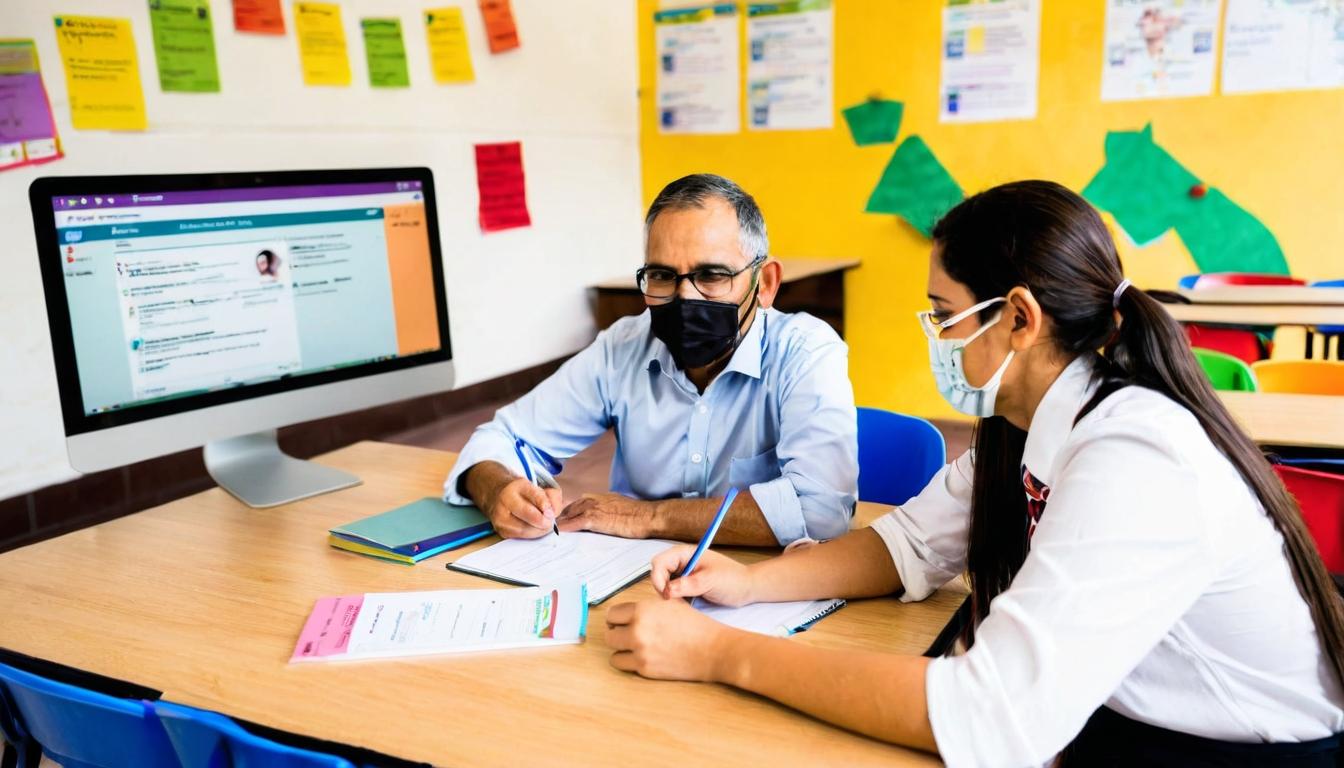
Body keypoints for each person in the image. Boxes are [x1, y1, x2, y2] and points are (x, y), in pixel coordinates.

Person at [605, 180, 1344, 766]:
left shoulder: (1135, 455)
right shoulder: (1024, 427)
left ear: (1018, 318)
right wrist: (748, 584)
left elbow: (990, 714)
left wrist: (719, 652)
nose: (938, 339)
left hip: (1236, 752)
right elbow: (904, 545)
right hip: (1119, 717)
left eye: (944, 315)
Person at [443, 174, 858, 546]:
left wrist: (649, 517)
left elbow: (820, 511)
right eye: (662, 276)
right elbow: (500, 438)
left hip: (759, 582)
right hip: (631, 578)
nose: (685, 297)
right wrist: (498, 490)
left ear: (764, 284)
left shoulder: (806, 352)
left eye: (711, 275)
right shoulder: (623, 347)